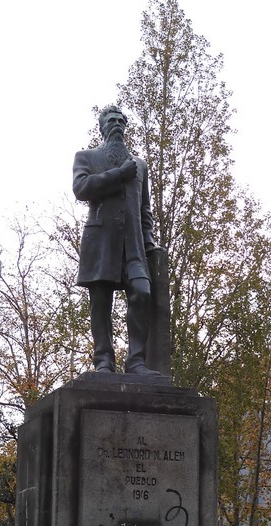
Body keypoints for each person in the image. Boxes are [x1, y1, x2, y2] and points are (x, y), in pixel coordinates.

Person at [73, 105, 160, 375]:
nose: (117, 124)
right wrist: (119, 175)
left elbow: (145, 209)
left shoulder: (140, 165)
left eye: (121, 121)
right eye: (111, 120)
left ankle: (136, 361)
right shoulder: (86, 157)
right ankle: (103, 361)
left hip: (133, 245)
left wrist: (149, 241)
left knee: (142, 292)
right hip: (100, 241)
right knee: (101, 303)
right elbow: (81, 188)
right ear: (101, 127)